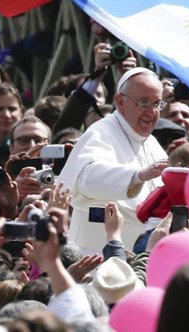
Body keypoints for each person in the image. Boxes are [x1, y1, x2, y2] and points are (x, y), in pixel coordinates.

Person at [59, 68, 168, 255]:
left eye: (157, 104)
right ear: (120, 102)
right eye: (144, 103)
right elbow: (88, 178)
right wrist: (137, 175)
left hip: (137, 260)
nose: (152, 112)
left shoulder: (152, 143)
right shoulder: (101, 132)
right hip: (94, 257)